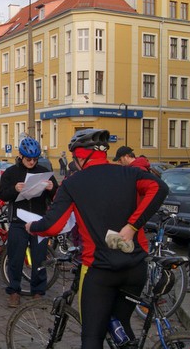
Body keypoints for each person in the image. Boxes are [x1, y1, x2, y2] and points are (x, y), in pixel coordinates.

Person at [26, 129, 168, 348]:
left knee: (92, 336)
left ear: (81, 157)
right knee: (122, 326)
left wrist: (32, 226)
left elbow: (53, 225)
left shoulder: (73, 183)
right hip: (134, 267)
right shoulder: (129, 173)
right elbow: (160, 188)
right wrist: (133, 226)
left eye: (74, 158)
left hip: (100, 270)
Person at [0, 137, 58, 307]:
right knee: (16, 257)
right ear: (21, 156)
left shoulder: (44, 171)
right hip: (18, 220)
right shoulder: (11, 172)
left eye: (34, 159)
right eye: (28, 159)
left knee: (39, 258)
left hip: (39, 220)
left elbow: (57, 196)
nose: (32, 162)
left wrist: (51, 188)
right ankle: (14, 291)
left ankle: (38, 291)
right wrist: (14, 190)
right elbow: (2, 194)